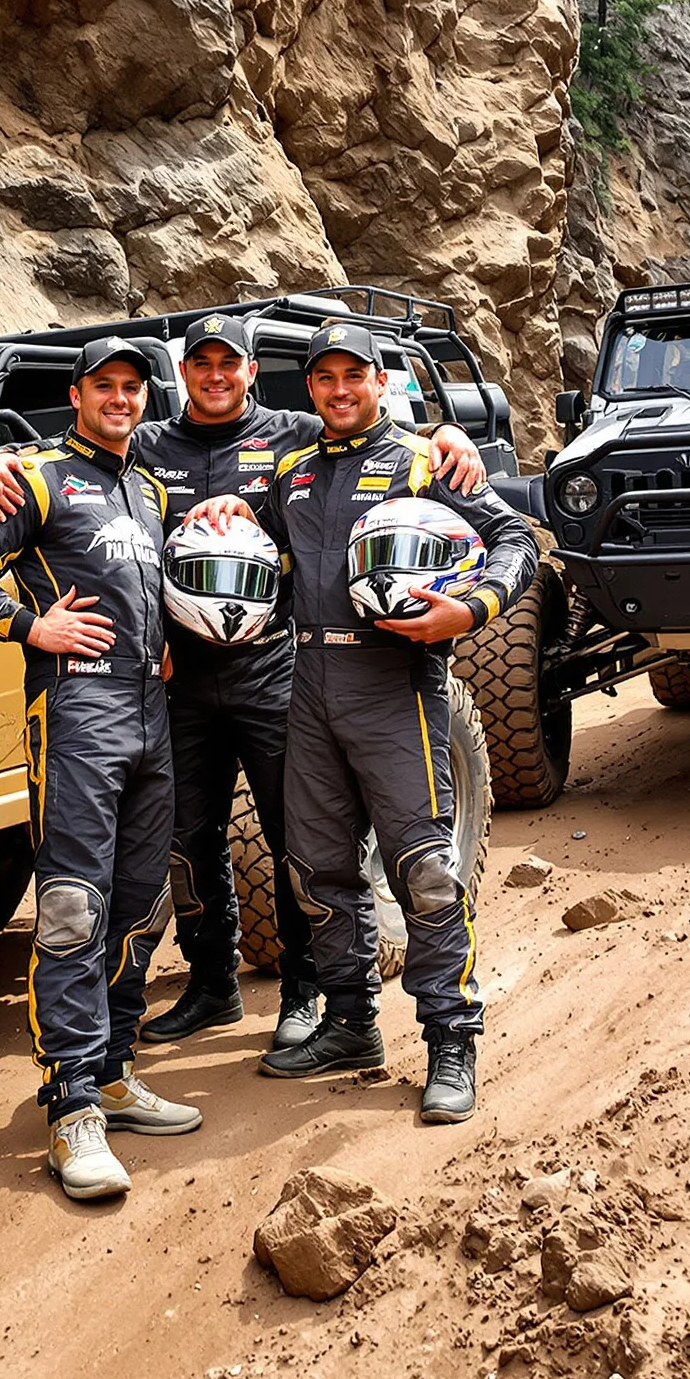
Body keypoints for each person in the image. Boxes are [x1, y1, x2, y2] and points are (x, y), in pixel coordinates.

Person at [0, 314, 487, 1055]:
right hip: (176, 679)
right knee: (185, 838)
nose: (215, 375)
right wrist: (5, 458)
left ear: (252, 370)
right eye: (201, 363)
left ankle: (308, 994)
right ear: (183, 373)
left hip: (278, 671)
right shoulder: (147, 441)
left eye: (230, 363)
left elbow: (370, 428)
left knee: (297, 835)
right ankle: (212, 982)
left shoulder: (296, 432)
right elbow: (78, 448)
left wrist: (449, 436)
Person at [193, 322, 537, 1125]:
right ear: (308, 389)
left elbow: (513, 537)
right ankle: (350, 1024)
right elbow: (242, 540)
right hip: (305, 684)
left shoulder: (426, 459)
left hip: (394, 684)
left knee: (422, 867)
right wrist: (217, 512)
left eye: (355, 375)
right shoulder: (291, 472)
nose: (340, 390)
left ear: (381, 381)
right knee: (315, 867)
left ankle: (453, 1038)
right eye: (325, 378)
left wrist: (473, 606)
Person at [0, 335, 197, 1201]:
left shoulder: (150, 486)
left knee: (141, 896)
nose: (121, 398)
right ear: (78, 395)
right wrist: (28, 627)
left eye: (133, 387)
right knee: (72, 908)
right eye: (105, 386)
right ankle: (71, 1105)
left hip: (150, 714)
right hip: (75, 710)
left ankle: (116, 1072)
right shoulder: (40, 477)